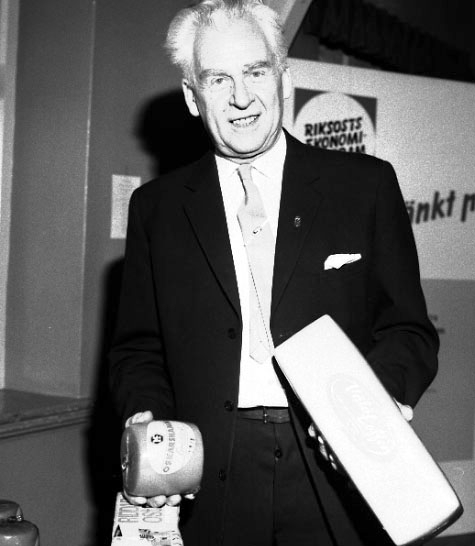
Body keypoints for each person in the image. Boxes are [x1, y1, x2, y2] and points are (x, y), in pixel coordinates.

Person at [109, 1, 439, 545]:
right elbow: (138, 349)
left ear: (283, 78)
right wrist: (150, 422)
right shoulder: (157, 209)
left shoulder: (365, 187)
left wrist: (374, 401)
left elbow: (408, 330)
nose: (241, 97)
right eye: (218, 79)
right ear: (192, 97)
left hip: (337, 466)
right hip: (212, 470)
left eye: (256, 71)